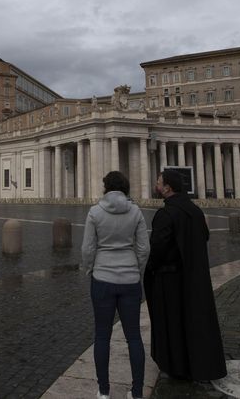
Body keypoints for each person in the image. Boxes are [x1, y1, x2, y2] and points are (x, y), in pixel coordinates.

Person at [145, 169, 227, 382]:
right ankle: (197, 363)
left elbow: (158, 248)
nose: (156, 184)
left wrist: (151, 268)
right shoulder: (195, 211)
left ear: (167, 187)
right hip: (193, 276)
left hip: (169, 278)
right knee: (193, 321)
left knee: (171, 323)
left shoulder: (166, 214)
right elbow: (204, 236)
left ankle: (174, 366)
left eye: (159, 181)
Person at [81, 171, 150, 399]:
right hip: (130, 280)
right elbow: (143, 249)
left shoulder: (95, 212)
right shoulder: (136, 211)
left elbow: (88, 250)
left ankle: (103, 391)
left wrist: (91, 269)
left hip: (102, 278)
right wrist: (135, 269)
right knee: (134, 338)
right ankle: (137, 392)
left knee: (102, 336)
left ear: (106, 187)